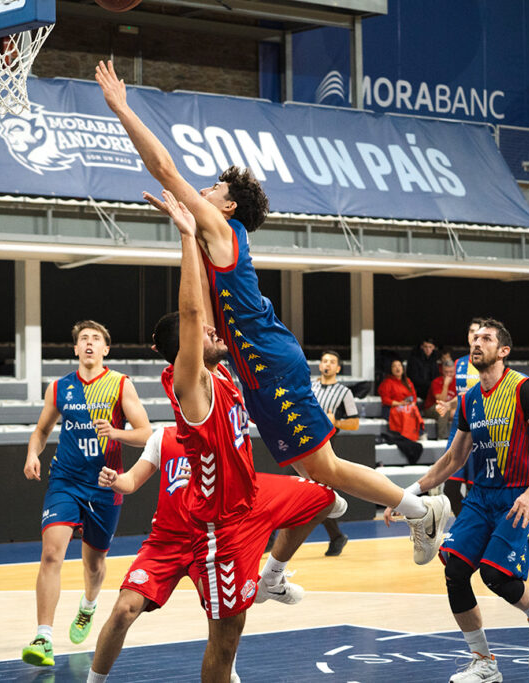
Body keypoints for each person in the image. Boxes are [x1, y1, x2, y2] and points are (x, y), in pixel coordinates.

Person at [95, 60, 450, 567]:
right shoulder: (210, 234)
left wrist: (123, 109)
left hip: (270, 363)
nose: (206, 189)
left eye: (214, 189)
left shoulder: (222, 232)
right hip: (257, 367)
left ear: (229, 208)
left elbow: (166, 171)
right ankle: (298, 556)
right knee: (317, 468)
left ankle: (420, 510)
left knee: (323, 466)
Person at [150, 189, 345, 682]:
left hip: (253, 497)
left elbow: (210, 311)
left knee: (322, 495)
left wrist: (198, 243)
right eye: (206, 337)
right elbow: (195, 316)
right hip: (222, 525)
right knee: (227, 635)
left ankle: (273, 576)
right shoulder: (191, 380)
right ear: (187, 350)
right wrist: (186, 233)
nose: (217, 335)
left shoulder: (224, 373)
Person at [384, 318, 529, 683]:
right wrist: (404, 497)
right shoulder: (469, 400)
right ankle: (484, 662)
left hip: (519, 494)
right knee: (454, 571)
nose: (477, 343)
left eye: (487, 338)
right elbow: (452, 460)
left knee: (496, 575)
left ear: (503, 351)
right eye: (475, 338)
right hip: (482, 496)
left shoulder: (523, 389)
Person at [21, 320, 153, 668]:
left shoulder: (120, 385)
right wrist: (33, 453)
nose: (90, 343)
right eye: (84, 339)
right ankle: (43, 636)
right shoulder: (60, 387)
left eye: (96, 339)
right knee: (51, 554)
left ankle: (89, 606)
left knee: (93, 565)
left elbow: (146, 433)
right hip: (64, 480)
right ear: (76, 349)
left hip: (105, 484)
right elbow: (42, 429)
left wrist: (116, 433)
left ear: (106, 349)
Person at [87, 426, 235, 683]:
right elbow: (131, 481)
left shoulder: (225, 435)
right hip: (164, 543)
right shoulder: (162, 437)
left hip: (207, 541)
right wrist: (115, 480)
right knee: (124, 609)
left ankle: (227, 672)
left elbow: (241, 491)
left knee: (223, 617)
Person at [310, 350, 360, 556]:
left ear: (338, 368)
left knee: (318, 494)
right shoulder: (310, 386)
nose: (327, 364)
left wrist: (336, 422)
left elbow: (355, 423)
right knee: (315, 494)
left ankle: (336, 536)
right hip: (304, 443)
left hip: (326, 446)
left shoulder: (344, 392)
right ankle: (337, 536)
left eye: (331, 362)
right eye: (324, 361)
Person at [436, 318, 483, 513]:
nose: (475, 335)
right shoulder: (460, 363)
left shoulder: (491, 363)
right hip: (458, 427)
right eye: (472, 331)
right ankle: (467, 525)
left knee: (474, 487)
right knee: (450, 488)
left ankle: (475, 531)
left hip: (479, 428)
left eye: (480, 333)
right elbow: (463, 394)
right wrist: (448, 404)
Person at [378, 359, 424, 463]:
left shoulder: (408, 381)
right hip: (391, 407)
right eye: (394, 366)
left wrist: (410, 403)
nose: (397, 368)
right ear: (391, 369)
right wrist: (399, 404)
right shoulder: (387, 382)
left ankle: (417, 433)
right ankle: (407, 435)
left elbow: (414, 397)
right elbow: (385, 399)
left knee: (413, 409)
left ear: (403, 369)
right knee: (405, 411)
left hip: (406, 406)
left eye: (399, 366)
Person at [423, 359, 457, 440]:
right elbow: (441, 400)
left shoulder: (457, 382)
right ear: (442, 371)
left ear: (455, 371)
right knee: (443, 409)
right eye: (446, 372)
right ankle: (442, 437)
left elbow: (459, 399)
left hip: (450, 407)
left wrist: (454, 409)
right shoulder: (436, 382)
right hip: (431, 408)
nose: (449, 374)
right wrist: (445, 385)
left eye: (451, 372)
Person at [407, 337, 440, 401]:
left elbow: (436, 376)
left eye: (430, 347)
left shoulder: (434, 360)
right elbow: (414, 378)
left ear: (433, 348)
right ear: (422, 347)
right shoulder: (414, 359)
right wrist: (431, 384)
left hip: (431, 390)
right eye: (425, 347)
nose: (428, 349)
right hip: (418, 391)